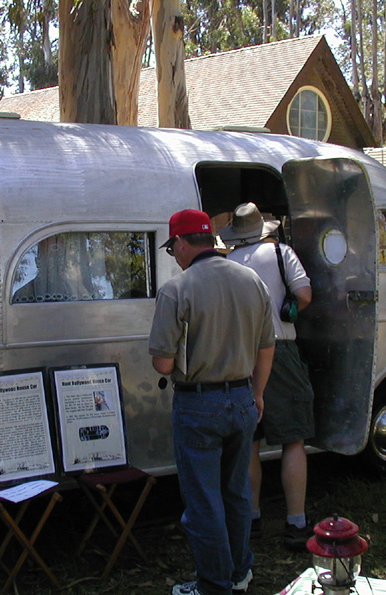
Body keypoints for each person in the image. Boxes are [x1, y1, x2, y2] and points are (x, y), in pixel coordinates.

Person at [149, 209, 276, 595]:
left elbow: (163, 361)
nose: (174, 256)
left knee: (204, 502)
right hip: (241, 398)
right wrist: (256, 393)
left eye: (173, 248)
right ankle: (240, 573)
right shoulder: (252, 280)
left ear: (183, 243)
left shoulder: (177, 289)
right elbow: (268, 345)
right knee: (236, 493)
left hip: (198, 404)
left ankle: (213, 585)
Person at [220, 202, 315, 551]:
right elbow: (304, 295)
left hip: (240, 355)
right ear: (264, 228)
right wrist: (288, 309)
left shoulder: (225, 263)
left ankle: (252, 520)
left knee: (249, 443)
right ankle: (295, 523)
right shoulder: (281, 253)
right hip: (281, 349)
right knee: (293, 439)